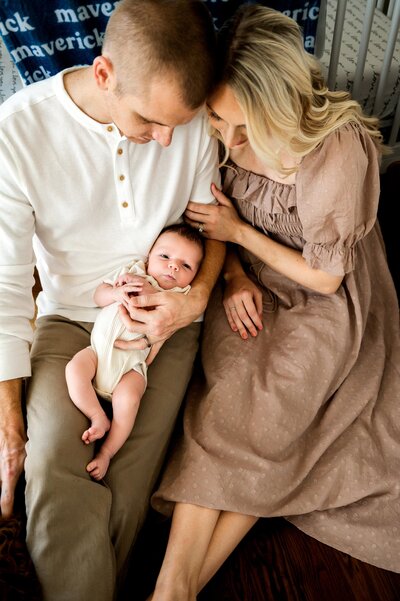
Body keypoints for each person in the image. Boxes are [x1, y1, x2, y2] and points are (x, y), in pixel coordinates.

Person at [149, 5, 400, 599]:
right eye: (218, 122)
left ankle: (174, 589)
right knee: (228, 403)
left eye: (245, 128)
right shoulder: (214, 124)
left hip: (323, 294)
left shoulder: (338, 147)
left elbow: (325, 278)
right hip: (250, 278)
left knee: (280, 410)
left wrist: (239, 235)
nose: (229, 144)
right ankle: (173, 587)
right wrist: (233, 272)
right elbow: (212, 228)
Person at [0, 1, 224, 600]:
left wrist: (192, 299)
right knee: (52, 466)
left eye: (181, 122)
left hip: (163, 323)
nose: (168, 138)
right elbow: (6, 283)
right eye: (151, 121)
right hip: (70, 320)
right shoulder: (17, 132)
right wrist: (9, 417)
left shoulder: (187, 120)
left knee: (132, 473)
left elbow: (214, 230)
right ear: (104, 74)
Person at [66, 224, 205, 481]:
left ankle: (107, 452)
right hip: (97, 352)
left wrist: (146, 353)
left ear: (194, 276)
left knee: (129, 401)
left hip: (132, 367)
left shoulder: (178, 297)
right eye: (165, 257)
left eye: (186, 266)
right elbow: (99, 295)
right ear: (148, 257)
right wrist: (115, 293)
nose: (173, 266)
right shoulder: (132, 272)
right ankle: (98, 417)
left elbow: (161, 336)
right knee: (74, 368)